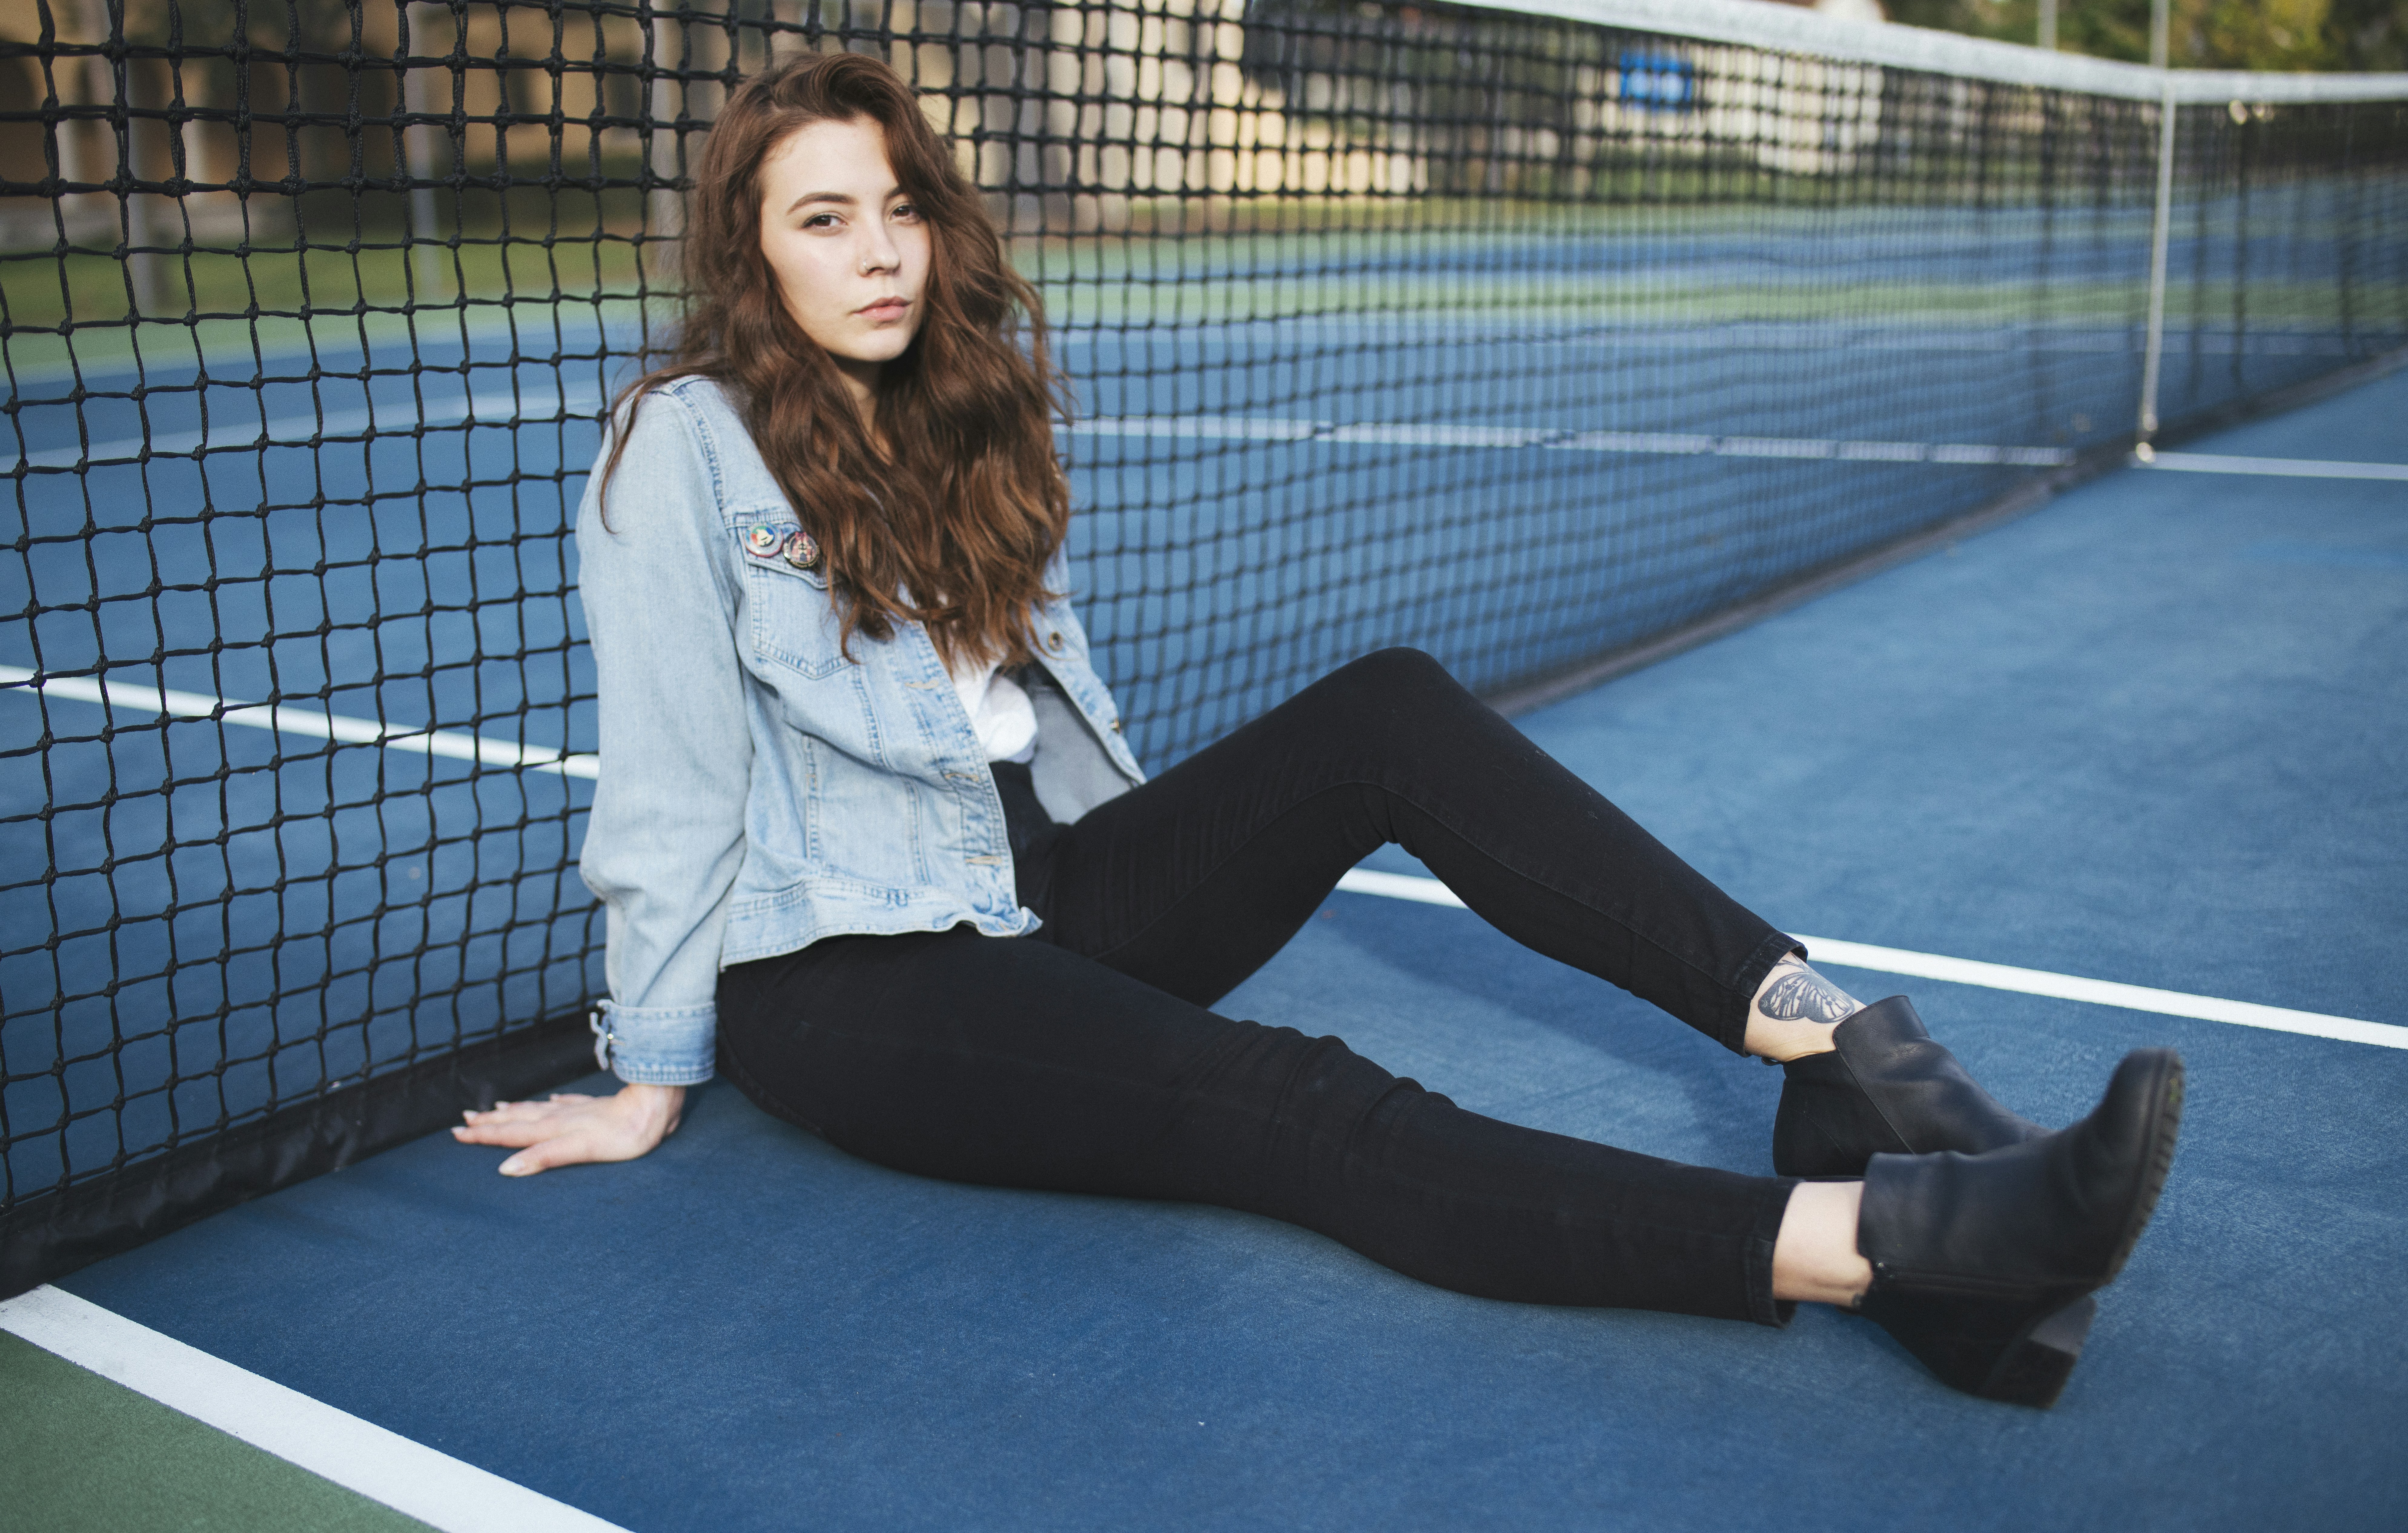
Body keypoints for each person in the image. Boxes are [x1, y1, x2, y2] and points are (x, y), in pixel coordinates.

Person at [450, 51, 2182, 1410]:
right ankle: (1890, 1241)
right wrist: (650, 1073)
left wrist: (1135, 880)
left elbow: (1032, 728)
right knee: (1294, 1102)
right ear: (752, 254)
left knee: (1389, 710)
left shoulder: (960, 411)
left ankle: (1846, 1057)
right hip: (853, 969)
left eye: (897, 205)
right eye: (823, 218)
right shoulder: (680, 445)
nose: (880, 249)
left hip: (1037, 883)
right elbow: (672, 775)